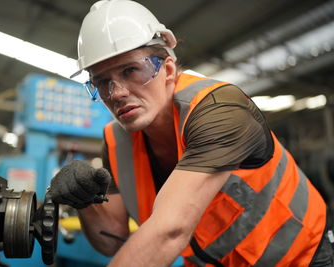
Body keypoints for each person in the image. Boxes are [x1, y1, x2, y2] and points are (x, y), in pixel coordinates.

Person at [49, 0, 334, 266]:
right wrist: (84, 202)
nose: (117, 93)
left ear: (168, 69)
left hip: (302, 257)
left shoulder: (220, 109)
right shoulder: (115, 144)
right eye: (102, 82)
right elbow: (111, 240)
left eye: (131, 70)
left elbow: (170, 232)